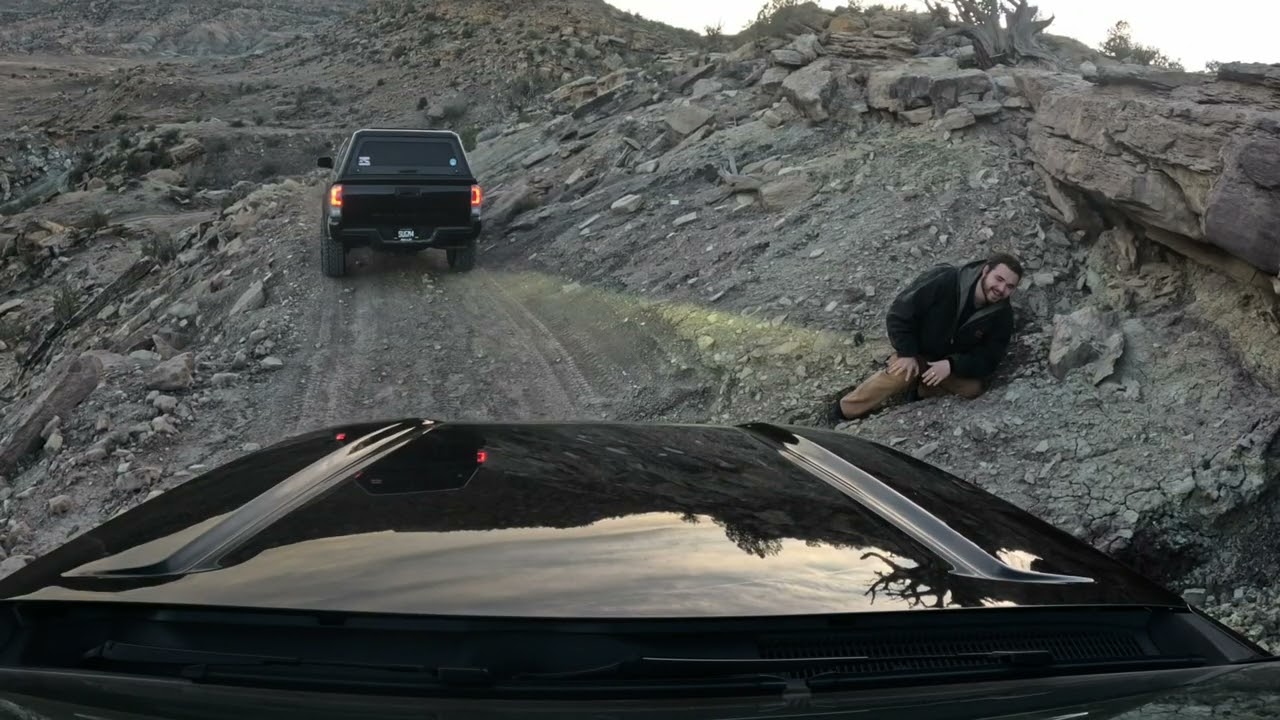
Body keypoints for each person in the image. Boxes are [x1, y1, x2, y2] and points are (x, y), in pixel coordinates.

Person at [832, 251, 1023, 421]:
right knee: (900, 374)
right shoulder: (946, 280)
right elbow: (900, 314)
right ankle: (844, 410)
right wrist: (906, 353)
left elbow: (989, 358)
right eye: (998, 279)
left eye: (1009, 286)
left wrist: (952, 364)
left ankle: (920, 391)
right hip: (916, 352)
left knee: (972, 389)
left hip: (947, 366)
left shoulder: (1002, 316)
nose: (1001, 289)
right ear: (985, 270)